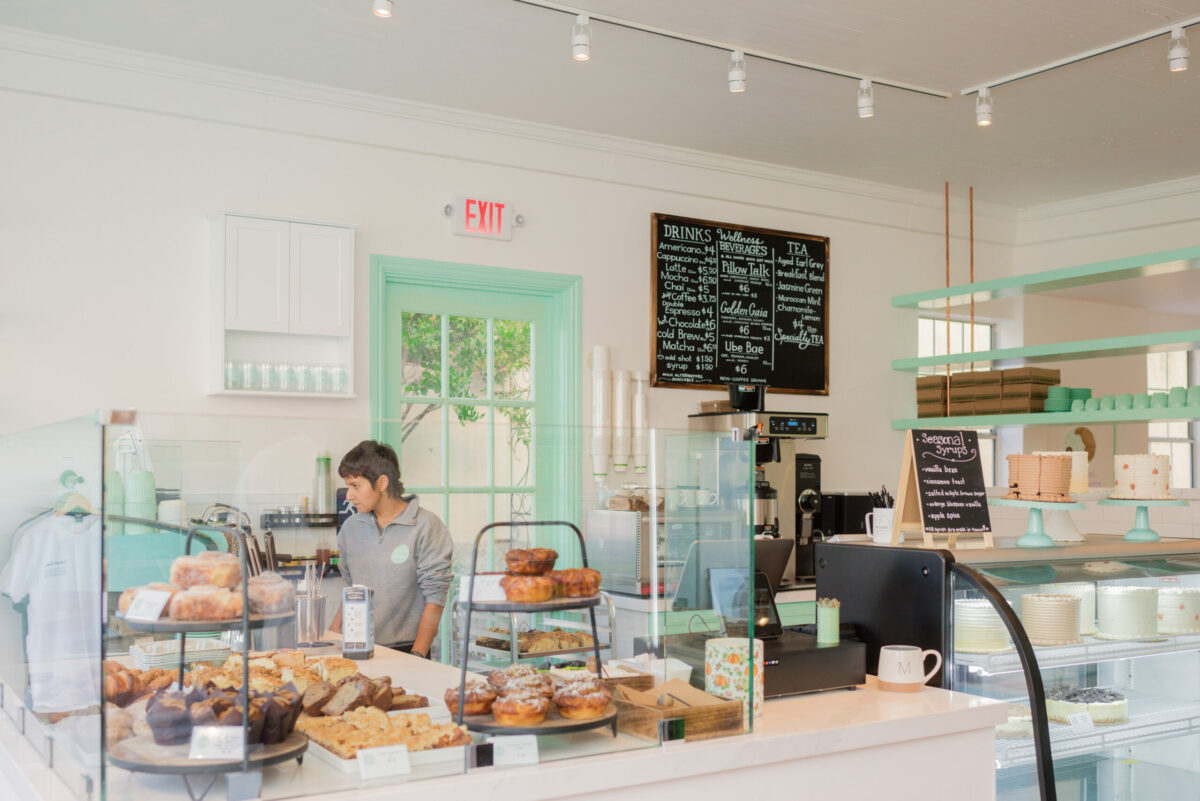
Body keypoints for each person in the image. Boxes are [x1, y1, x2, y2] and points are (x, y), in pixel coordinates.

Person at [329, 440, 453, 658]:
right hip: (356, 647)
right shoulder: (350, 528)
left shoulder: (426, 526)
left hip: (407, 650)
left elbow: (435, 600)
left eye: (355, 486)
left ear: (382, 483)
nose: (348, 496)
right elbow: (353, 589)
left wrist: (417, 657)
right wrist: (332, 635)